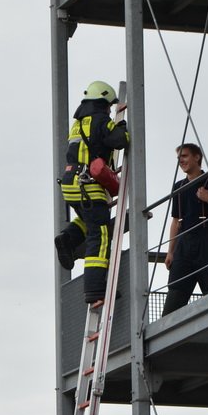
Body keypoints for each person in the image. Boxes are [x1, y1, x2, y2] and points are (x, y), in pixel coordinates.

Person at [54, 80, 130, 307]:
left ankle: (67, 238)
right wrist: (122, 127)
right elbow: (121, 140)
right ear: (103, 101)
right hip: (89, 185)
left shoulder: (78, 124)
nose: (109, 109)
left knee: (87, 219)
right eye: (108, 105)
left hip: (71, 184)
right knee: (101, 236)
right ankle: (95, 291)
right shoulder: (100, 119)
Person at [161, 143, 208, 316]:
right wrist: (170, 252)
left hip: (206, 240)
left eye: (185, 156)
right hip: (183, 244)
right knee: (175, 296)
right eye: (179, 158)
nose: (181, 161)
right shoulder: (178, 187)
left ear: (197, 157)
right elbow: (175, 221)